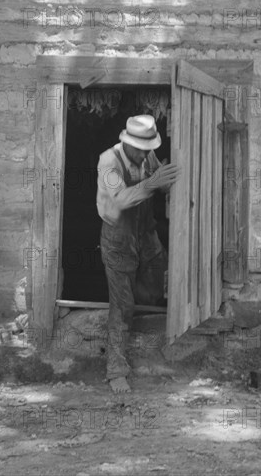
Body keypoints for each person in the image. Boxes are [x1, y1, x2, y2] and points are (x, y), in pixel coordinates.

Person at [96, 115, 179, 393]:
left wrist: (168, 178)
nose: (145, 154)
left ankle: (149, 339)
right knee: (121, 304)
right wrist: (153, 182)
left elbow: (161, 183)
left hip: (146, 232)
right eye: (141, 149)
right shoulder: (108, 160)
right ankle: (116, 370)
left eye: (148, 149)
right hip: (118, 237)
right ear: (126, 141)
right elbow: (120, 199)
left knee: (162, 279)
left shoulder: (148, 155)